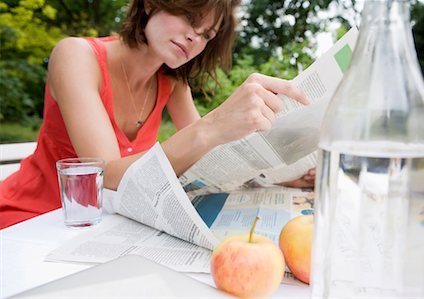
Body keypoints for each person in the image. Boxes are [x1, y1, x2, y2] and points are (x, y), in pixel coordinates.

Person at [0, 0, 314, 229]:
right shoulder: (76, 55)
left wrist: (279, 177)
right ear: (151, 4)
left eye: (207, 34)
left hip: (107, 225)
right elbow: (105, 174)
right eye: (190, 17)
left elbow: (210, 162)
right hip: (34, 218)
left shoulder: (172, 82)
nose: (195, 38)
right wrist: (214, 124)